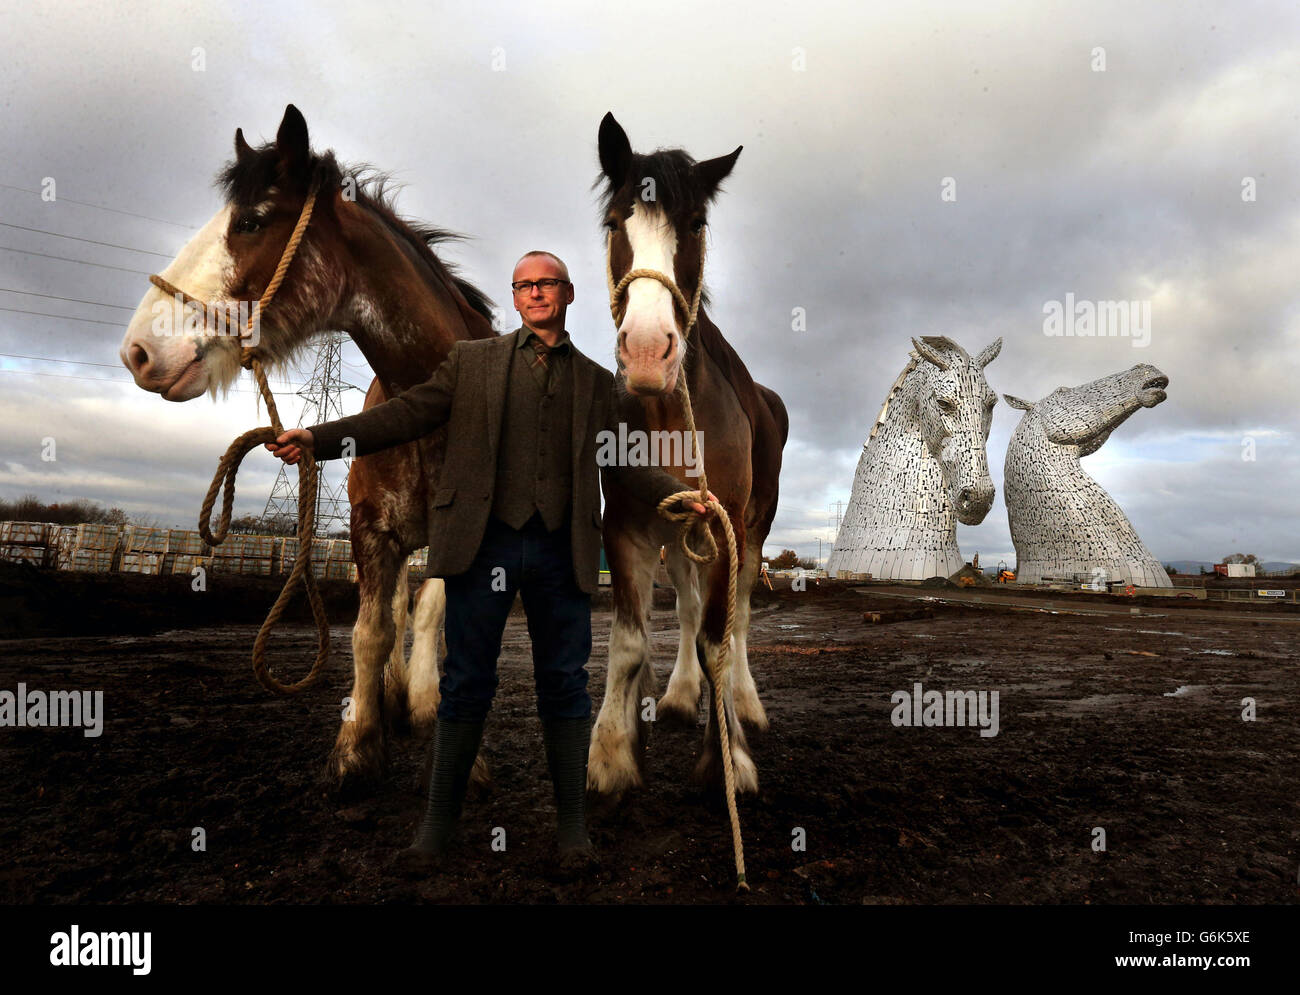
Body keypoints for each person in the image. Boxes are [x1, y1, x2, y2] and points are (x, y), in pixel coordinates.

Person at [266, 250, 711, 872]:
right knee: (466, 684)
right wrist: (321, 440)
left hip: (563, 554)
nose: (535, 293)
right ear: (516, 294)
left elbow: (624, 461)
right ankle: (435, 830)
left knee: (564, 687)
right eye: (524, 285)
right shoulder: (470, 363)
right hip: (482, 550)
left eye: (546, 284)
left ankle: (572, 833)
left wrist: (682, 496)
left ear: (569, 293)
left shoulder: (594, 381)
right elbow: (404, 414)